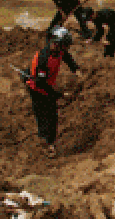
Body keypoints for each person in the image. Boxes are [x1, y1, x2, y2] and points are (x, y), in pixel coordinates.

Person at [25, 26, 79, 157]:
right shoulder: (43, 58)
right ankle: (46, 145)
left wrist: (76, 69)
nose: (66, 49)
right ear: (56, 43)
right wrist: (61, 94)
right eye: (64, 45)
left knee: (53, 116)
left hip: (47, 85)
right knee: (44, 116)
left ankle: (51, 142)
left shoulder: (59, 51)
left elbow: (66, 57)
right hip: (37, 89)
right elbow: (41, 84)